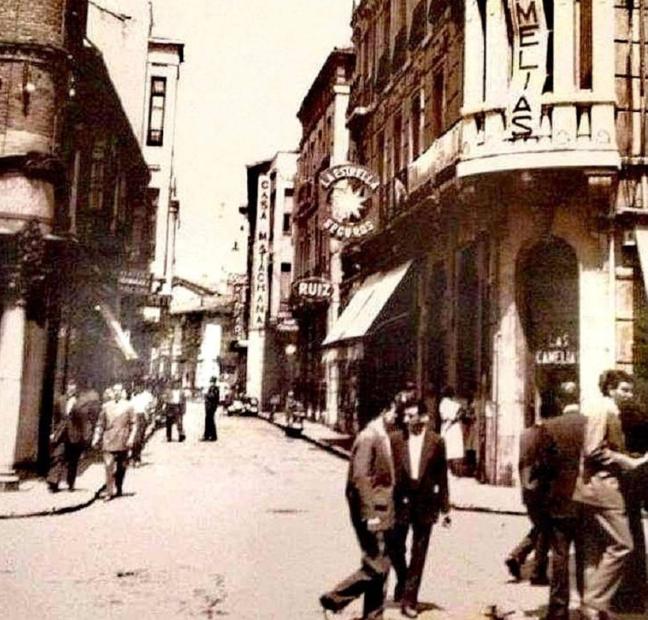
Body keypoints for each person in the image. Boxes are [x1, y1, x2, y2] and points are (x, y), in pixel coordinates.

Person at [573, 369, 648, 619]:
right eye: (624, 390)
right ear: (610, 390)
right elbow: (592, 450)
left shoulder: (609, 411)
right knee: (623, 545)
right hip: (603, 489)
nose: (629, 395)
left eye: (630, 390)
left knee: (595, 551)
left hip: (593, 489)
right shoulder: (602, 411)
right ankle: (594, 601)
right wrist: (626, 461)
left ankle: (594, 609)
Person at [319, 397, 397, 620]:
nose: (396, 417)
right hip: (372, 513)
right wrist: (369, 514)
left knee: (381, 566)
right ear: (383, 411)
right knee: (377, 566)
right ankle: (334, 599)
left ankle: (373, 616)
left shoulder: (382, 436)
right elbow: (360, 478)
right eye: (393, 412)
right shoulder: (368, 437)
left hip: (384, 511)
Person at [388, 398, 451, 618]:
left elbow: (442, 476)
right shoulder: (395, 440)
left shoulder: (436, 442)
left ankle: (409, 599)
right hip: (400, 502)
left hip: (425, 504)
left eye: (411, 415)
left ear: (423, 418)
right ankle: (404, 580)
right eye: (405, 416)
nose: (406, 420)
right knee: (395, 546)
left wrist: (445, 508)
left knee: (419, 552)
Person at [539, 381, 587, 620]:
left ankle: (558, 611)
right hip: (587, 501)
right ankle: (588, 608)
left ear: (559, 401)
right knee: (586, 557)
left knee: (560, 556)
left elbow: (543, 467)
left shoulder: (550, 427)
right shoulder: (591, 424)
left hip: (559, 502)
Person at [504, 400, 551, 586]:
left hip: (527, 488)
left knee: (541, 527)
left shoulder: (526, 434)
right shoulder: (547, 435)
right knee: (545, 529)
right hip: (542, 488)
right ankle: (536, 572)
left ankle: (518, 556)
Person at [92, 383, 137, 501]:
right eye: (114, 391)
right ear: (112, 392)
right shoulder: (106, 406)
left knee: (122, 467)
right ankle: (109, 492)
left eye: (119, 390)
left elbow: (134, 424)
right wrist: (96, 437)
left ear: (122, 392)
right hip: (108, 439)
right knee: (108, 466)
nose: (117, 393)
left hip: (123, 440)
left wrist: (131, 438)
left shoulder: (129, 406)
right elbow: (100, 424)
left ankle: (119, 486)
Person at [47, 380, 88, 492]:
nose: (71, 388)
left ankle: (70, 483)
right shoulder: (60, 400)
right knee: (57, 457)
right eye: (70, 386)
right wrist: (53, 432)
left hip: (75, 435)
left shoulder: (81, 402)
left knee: (73, 461)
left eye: (74, 386)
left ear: (76, 389)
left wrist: (84, 437)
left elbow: (84, 421)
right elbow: (55, 418)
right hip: (61, 433)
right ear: (67, 387)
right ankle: (53, 483)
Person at [438, 386, 464, 476]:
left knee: (447, 448)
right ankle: (455, 471)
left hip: (446, 427)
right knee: (454, 449)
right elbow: (460, 412)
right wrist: (455, 418)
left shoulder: (442, 404)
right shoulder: (454, 404)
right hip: (453, 427)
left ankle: (448, 469)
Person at [130, 382, 154, 466]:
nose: (137, 388)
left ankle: (137, 458)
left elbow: (152, 406)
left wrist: (149, 412)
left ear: (142, 386)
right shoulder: (133, 395)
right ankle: (133, 457)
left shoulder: (148, 395)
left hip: (142, 416)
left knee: (139, 439)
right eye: (135, 387)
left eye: (138, 386)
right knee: (133, 438)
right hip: (133, 417)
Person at [203, 377, 219, 441]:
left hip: (212, 407)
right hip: (208, 407)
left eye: (212, 382)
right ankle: (207, 435)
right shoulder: (211, 388)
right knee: (207, 421)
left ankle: (213, 436)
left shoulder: (215, 389)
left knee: (211, 421)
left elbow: (213, 396)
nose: (211, 383)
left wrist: (206, 395)